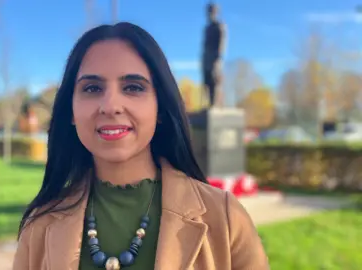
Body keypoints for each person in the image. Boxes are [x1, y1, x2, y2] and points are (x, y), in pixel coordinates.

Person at [13, 22, 268, 270]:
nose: (111, 105)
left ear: (160, 107)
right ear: (70, 110)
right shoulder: (39, 227)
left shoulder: (224, 218)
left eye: (133, 87)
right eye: (92, 88)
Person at [202, 3, 226, 107]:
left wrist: (218, 57)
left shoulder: (219, 26)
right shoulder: (207, 28)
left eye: (212, 11)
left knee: (215, 80)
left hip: (215, 57)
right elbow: (204, 45)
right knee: (207, 81)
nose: (209, 14)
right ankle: (211, 104)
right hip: (206, 57)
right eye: (208, 12)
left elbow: (222, 42)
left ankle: (216, 105)